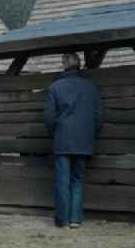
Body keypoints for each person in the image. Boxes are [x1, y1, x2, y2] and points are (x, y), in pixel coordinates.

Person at [44, 52, 103, 229]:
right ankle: (75, 219)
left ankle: (62, 220)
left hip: (63, 139)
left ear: (64, 64)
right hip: (84, 140)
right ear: (79, 65)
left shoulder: (55, 87)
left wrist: (56, 133)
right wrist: (91, 135)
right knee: (78, 179)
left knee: (62, 180)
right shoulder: (92, 87)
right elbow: (99, 116)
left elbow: (48, 117)